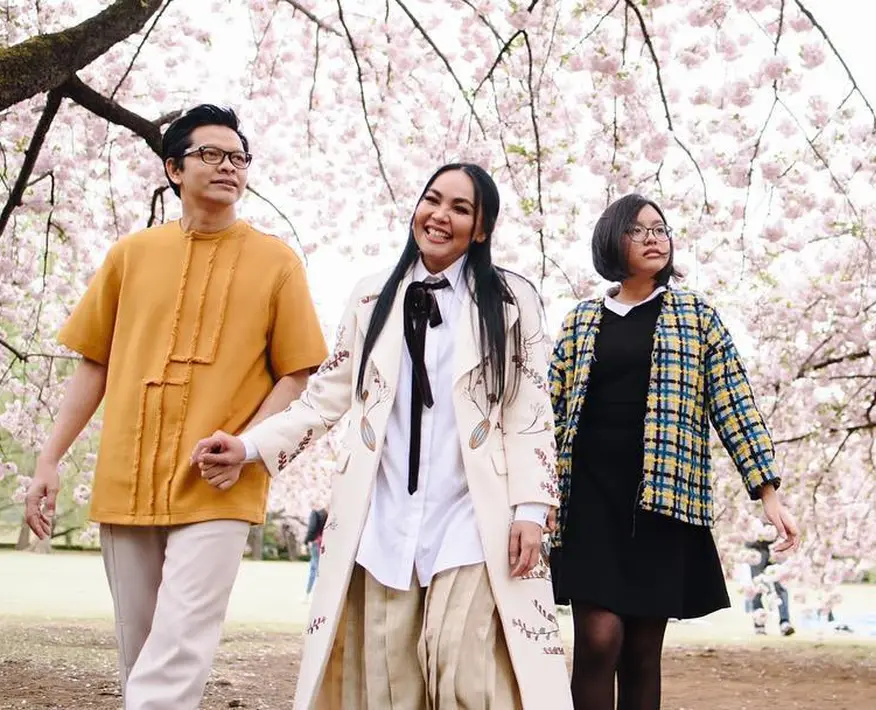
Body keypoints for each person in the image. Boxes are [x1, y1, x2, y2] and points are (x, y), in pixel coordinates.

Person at [193, 163, 570, 709]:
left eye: (460, 209)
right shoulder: (372, 299)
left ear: (482, 229)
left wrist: (531, 510)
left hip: (472, 513)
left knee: (462, 663)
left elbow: (529, 408)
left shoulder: (512, 302)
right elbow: (325, 398)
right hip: (385, 512)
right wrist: (249, 446)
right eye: (432, 200)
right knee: (390, 683)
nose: (440, 216)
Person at [23, 104, 328, 709]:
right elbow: (94, 361)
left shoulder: (278, 262)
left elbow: (298, 372)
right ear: (173, 168)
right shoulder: (130, 255)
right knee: (139, 650)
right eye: (210, 155)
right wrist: (49, 459)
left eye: (238, 158)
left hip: (218, 482)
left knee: (181, 644)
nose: (228, 167)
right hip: (125, 478)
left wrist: (247, 447)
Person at [548, 193, 800, 709]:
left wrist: (768, 494)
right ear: (611, 240)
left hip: (661, 504)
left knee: (642, 653)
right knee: (598, 642)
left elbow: (734, 403)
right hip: (591, 502)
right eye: (638, 230)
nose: (653, 238)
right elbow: (544, 412)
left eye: (659, 229)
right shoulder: (579, 321)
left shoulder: (696, 316)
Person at [746, 538, 795, 636]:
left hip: (777, 547)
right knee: (757, 585)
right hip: (756, 548)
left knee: (780, 585)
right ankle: (759, 622)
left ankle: (785, 622)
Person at [304, 505, 329, 599]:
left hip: (316, 543)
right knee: (319, 568)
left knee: (314, 568)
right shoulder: (327, 513)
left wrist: (306, 541)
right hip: (324, 542)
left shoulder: (316, 512)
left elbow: (312, 528)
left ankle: (308, 593)